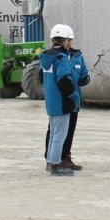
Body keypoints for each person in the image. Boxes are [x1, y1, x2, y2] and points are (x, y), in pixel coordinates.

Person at [38, 25, 88, 176]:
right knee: (60, 134)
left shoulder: (47, 56)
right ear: (65, 41)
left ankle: (53, 162)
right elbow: (64, 81)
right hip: (62, 101)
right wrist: (74, 96)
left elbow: (41, 78)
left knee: (54, 133)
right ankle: (56, 165)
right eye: (69, 40)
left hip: (52, 102)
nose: (70, 43)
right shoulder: (62, 58)